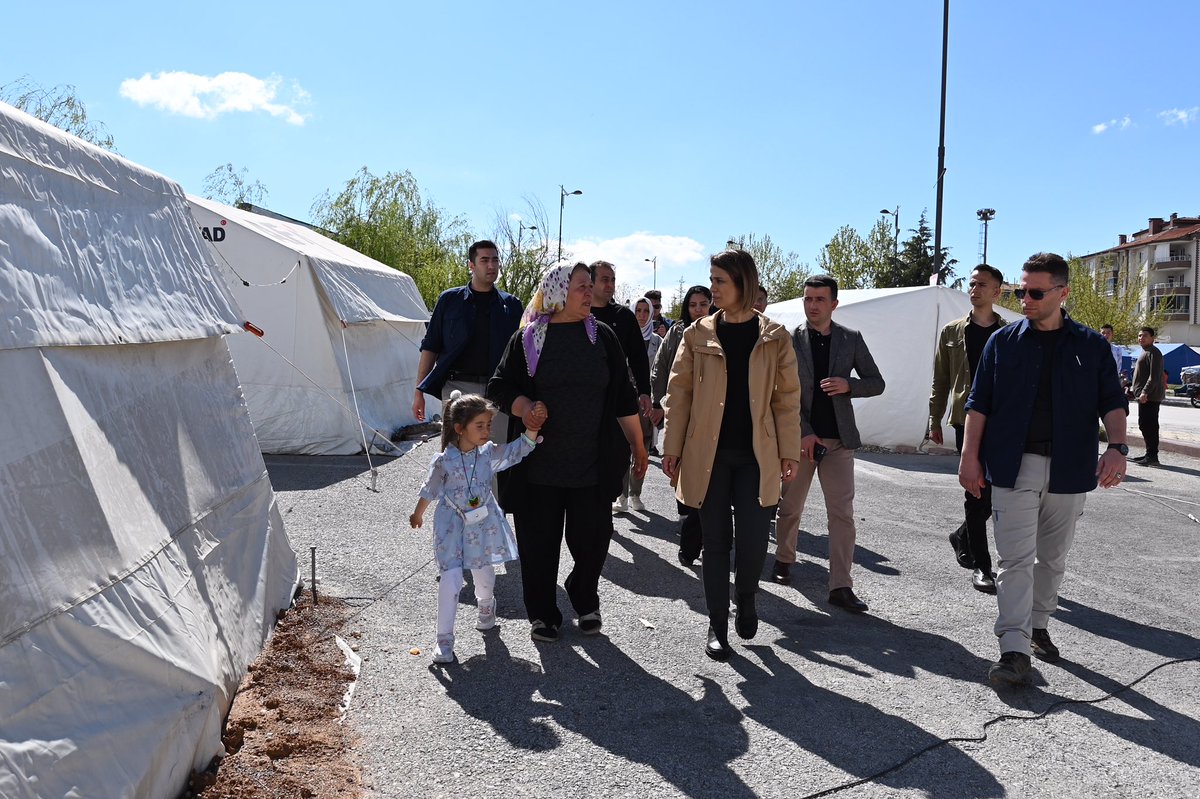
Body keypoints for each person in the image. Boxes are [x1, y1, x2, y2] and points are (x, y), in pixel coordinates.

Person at [960, 252, 1128, 686]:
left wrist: (1118, 448)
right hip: (1013, 467)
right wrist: (969, 457)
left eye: (1035, 292)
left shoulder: (1091, 346)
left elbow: (1112, 402)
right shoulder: (1003, 342)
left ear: (1062, 292)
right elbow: (979, 404)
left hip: (1071, 469)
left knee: (1052, 560)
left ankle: (1038, 625)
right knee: (1015, 560)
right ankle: (1013, 649)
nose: (1026, 299)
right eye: (1021, 291)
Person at [488, 263, 648, 643]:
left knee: (593, 541)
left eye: (591, 286)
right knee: (538, 546)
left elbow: (624, 398)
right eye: (581, 286)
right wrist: (525, 407)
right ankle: (543, 614)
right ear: (558, 291)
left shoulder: (603, 337)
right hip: (538, 466)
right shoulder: (528, 339)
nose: (589, 292)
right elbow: (499, 387)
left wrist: (639, 445)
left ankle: (582, 593)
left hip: (592, 465)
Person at [662, 249, 801, 661]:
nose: (713, 288)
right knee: (716, 541)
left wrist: (789, 450)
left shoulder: (775, 336)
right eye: (712, 280)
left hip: (759, 456)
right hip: (709, 455)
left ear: (743, 283)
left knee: (755, 541)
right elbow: (679, 395)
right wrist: (671, 448)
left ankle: (747, 597)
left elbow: (787, 399)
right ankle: (717, 625)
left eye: (720, 281)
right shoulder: (696, 335)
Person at [772, 275, 885, 613]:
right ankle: (783, 560)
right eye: (808, 299)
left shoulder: (850, 339)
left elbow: (876, 382)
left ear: (834, 304)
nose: (813, 305)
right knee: (790, 506)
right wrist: (803, 431)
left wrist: (849, 385)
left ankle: (841, 586)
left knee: (842, 515)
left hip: (838, 442)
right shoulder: (789, 341)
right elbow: (780, 395)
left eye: (820, 299)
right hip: (801, 440)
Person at [409, 391, 546, 663]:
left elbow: (512, 453)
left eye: (488, 425)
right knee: (450, 577)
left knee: (484, 572)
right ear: (459, 429)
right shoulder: (443, 460)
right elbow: (430, 489)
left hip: (483, 523)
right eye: (480, 425)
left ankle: (486, 604)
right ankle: (444, 639)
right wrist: (418, 514)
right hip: (451, 524)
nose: (487, 431)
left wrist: (532, 430)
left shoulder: (487, 454)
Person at [928, 264, 1008, 594]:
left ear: (997, 292)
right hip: (966, 419)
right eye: (972, 284)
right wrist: (934, 419)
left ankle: (962, 535)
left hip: (1002, 422)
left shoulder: (1009, 333)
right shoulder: (952, 331)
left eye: (982, 285)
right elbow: (941, 380)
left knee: (995, 494)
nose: (974, 290)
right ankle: (982, 565)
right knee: (975, 491)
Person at [413, 240, 524, 440]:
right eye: (484, 260)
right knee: (456, 458)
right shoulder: (449, 300)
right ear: (471, 265)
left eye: (495, 260)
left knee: (495, 459)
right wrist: (418, 392)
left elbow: (523, 353)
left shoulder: (512, 305)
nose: (491, 266)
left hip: (498, 392)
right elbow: (431, 346)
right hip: (458, 389)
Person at [651, 285, 713, 566]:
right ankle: (689, 523)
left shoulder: (718, 331)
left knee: (706, 482)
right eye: (693, 304)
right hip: (681, 414)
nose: (698, 309)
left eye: (703, 304)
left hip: (711, 416)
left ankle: (695, 540)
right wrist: (660, 405)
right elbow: (661, 369)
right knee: (683, 475)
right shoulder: (678, 332)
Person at [589, 260, 653, 511]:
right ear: (591, 281)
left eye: (613, 279)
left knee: (614, 451)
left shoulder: (623, 316)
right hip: (583, 399)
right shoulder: (578, 313)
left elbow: (638, 356)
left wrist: (645, 392)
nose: (610, 285)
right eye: (605, 279)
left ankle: (613, 498)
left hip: (615, 397)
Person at [615, 297, 663, 511]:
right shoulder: (623, 335)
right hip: (624, 398)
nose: (642, 315)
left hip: (646, 401)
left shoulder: (657, 341)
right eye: (638, 311)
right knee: (623, 445)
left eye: (646, 311)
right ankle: (621, 496)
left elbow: (659, 372)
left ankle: (636, 493)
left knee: (641, 445)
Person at [1129, 326, 1165, 467]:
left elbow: (1154, 376)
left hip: (1150, 397)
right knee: (1145, 424)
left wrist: (1145, 392)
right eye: (1139, 336)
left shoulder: (1154, 353)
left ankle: (1152, 456)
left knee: (1148, 425)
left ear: (1152, 338)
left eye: (1144, 336)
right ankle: (1149, 454)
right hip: (1145, 396)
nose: (1141, 338)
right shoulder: (1145, 352)